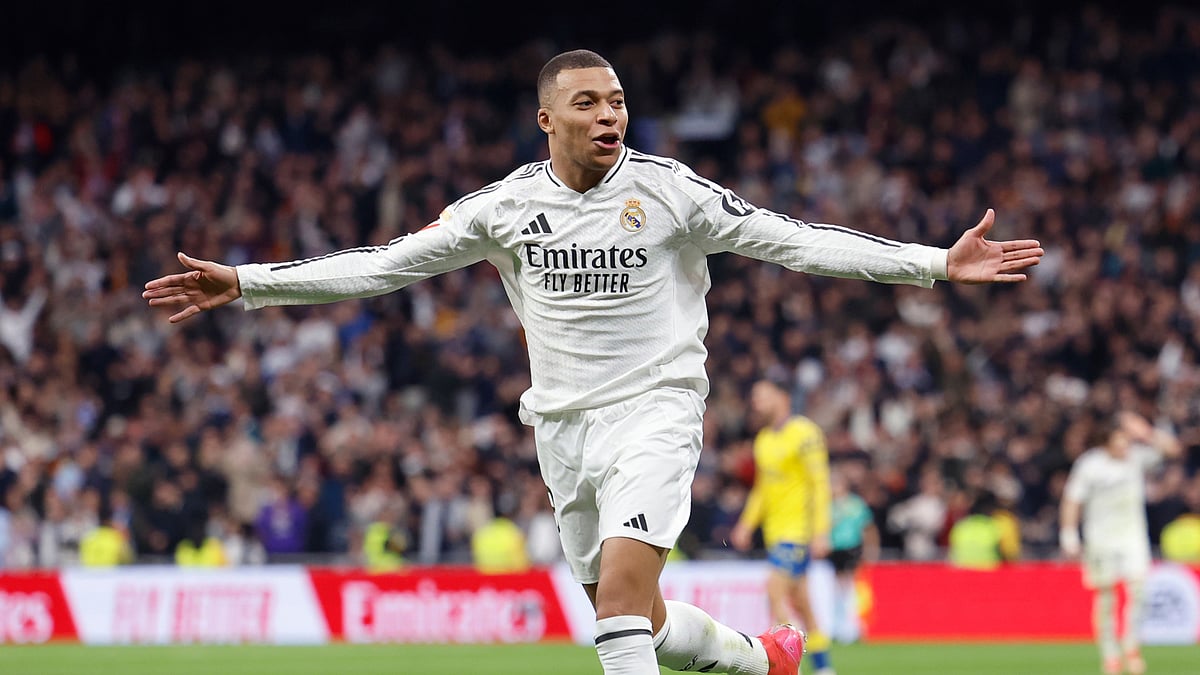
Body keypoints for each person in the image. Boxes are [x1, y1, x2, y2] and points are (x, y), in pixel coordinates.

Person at [144, 49, 1043, 675]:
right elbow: (383, 265)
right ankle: (758, 656)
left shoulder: (670, 191)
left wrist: (933, 263)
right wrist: (250, 283)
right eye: (589, 103)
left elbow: (793, 241)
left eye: (616, 101)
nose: (609, 113)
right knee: (635, 622)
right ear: (547, 119)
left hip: (657, 408)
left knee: (618, 594)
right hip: (562, 429)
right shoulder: (500, 211)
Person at [1060, 411, 1182, 675]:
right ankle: (1110, 655)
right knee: (1106, 598)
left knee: (1139, 592)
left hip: (1132, 538)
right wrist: (1069, 536)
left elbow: (1174, 450)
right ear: (1106, 442)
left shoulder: (1136, 458)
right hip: (1100, 540)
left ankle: (1131, 646)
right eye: (1119, 441)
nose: (1125, 446)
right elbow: (1072, 500)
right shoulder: (1090, 464)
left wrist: (1146, 431)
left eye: (1127, 440)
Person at [731, 379, 835, 675]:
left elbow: (820, 484)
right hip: (776, 535)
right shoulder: (763, 440)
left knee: (774, 592)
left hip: (797, 532)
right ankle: (825, 668)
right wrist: (746, 525)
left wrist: (821, 531)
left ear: (784, 396)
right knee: (803, 605)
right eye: (755, 397)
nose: (757, 402)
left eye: (763, 395)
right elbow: (761, 490)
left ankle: (789, 669)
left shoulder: (805, 433)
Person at [826, 468, 878, 644]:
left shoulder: (855, 505)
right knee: (836, 588)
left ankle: (852, 627)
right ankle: (837, 626)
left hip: (851, 548)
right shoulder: (828, 506)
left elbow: (867, 527)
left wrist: (871, 549)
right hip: (833, 549)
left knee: (850, 587)